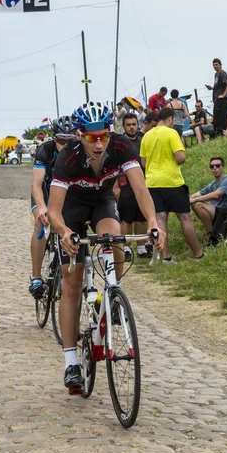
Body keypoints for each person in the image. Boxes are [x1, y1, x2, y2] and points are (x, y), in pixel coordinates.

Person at [48, 102, 164, 393]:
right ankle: (71, 363)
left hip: (102, 201)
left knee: (115, 236)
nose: (99, 144)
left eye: (104, 136)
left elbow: (139, 188)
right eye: (92, 138)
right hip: (72, 208)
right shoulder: (67, 157)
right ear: (79, 135)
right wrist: (63, 232)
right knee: (72, 284)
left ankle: (112, 292)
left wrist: (152, 222)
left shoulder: (122, 146)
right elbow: (54, 210)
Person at [140, 107, 203, 263]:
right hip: (172, 181)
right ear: (170, 119)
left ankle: (165, 258)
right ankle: (198, 254)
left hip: (152, 182)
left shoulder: (147, 136)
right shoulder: (171, 133)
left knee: (160, 219)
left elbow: (143, 162)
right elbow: (180, 157)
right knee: (185, 218)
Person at [29, 116, 76, 298]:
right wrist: (41, 207)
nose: (64, 144)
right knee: (40, 224)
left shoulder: (78, 151)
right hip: (45, 192)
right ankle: (36, 277)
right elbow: (36, 183)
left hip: (66, 194)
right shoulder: (45, 150)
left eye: (69, 140)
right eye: (60, 140)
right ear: (54, 138)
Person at [116, 113, 149, 258]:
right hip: (125, 185)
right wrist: (116, 186)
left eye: (134, 124)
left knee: (141, 218)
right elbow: (115, 166)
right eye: (128, 125)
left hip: (142, 184)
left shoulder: (143, 140)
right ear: (123, 127)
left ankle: (141, 248)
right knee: (127, 219)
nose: (131, 127)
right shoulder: (120, 142)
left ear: (138, 124)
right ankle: (126, 249)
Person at [190, 157, 227, 234]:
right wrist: (188, 200)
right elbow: (195, 195)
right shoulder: (212, 184)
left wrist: (195, 199)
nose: (214, 168)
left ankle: (212, 232)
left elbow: (216, 195)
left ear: (223, 168)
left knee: (199, 204)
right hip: (216, 211)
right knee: (194, 203)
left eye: (217, 165)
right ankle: (211, 228)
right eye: (212, 166)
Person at [206, 58, 227, 136]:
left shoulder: (222, 73)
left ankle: (223, 134)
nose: (215, 66)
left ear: (220, 65)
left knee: (222, 119)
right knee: (216, 119)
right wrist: (212, 88)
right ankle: (216, 134)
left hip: (222, 100)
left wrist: (224, 95)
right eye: (213, 65)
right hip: (217, 100)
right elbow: (220, 86)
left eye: (216, 65)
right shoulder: (216, 74)